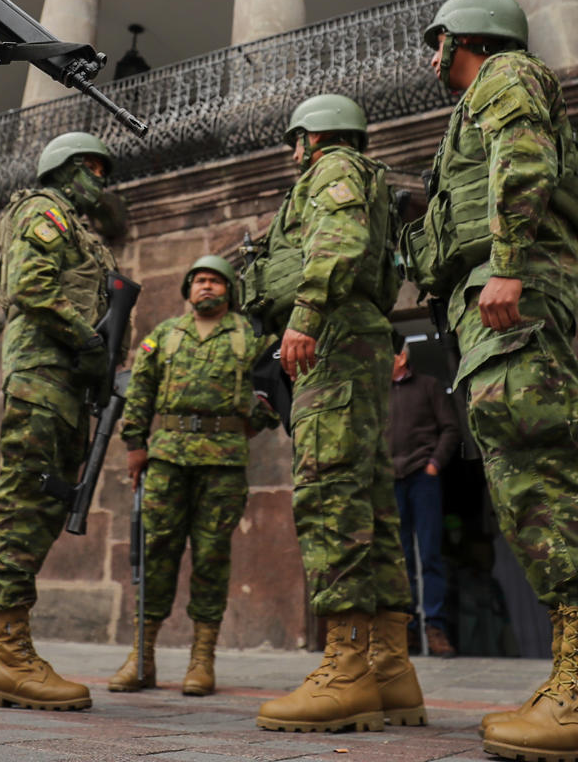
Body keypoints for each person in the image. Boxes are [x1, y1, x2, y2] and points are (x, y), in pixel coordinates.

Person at [407, 0, 578, 762]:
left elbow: (523, 161)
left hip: (511, 292)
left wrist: (505, 265)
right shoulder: (476, 103)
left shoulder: (504, 76)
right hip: (492, 299)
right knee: (518, 464)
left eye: (437, 42)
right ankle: (577, 673)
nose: (432, 57)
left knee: (537, 462)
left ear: (461, 39)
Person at [245, 93, 419, 734]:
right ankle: (390, 671)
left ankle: (346, 669)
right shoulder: (356, 173)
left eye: (298, 140)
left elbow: (339, 238)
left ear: (316, 138)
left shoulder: (335, 167)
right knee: (370, 497)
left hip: (335, 338)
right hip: (358, 337)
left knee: (330, 494)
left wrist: (305, 312)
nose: (294, 153)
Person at [0, 131, 119, 712]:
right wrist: (88, 342)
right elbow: (32, 287)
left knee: (47, 504)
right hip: (42, 377)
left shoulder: (82, 230)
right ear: (64, 167)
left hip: (67, 383)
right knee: (24, 501)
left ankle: (5, 650)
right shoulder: (43, 210)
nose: (102, 180)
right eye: (93, 167)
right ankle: (6, 652)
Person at [111, 254, 276, 697]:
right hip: (166, 459)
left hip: (222, 463)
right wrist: (134, 446)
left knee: (211, 557)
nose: (207, 287)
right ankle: (141, 656)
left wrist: (253, 420)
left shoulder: (248, 334)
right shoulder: (163, 336)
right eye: (200, 281)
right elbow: (139, 391)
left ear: (229, 292)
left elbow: (274, 385)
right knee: (157, 551)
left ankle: (202, 660)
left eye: (216, 282)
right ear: (188, 290)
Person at [387, 344, 458, 658]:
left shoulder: (428, 386)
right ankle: (408, 628)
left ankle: (435, 625)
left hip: (422, 476)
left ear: (402, 356)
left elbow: (451, 428)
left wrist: (434, 465)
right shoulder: (377, 393)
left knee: (429, 553)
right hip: (391, 480)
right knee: (398, 557)